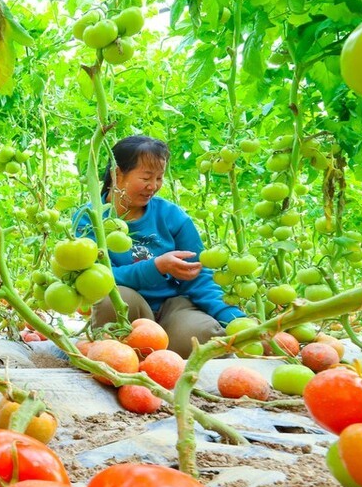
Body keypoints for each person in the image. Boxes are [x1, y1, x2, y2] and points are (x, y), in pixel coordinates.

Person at [74, 135, 243, 357]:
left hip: (173, 308)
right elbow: (93, 279)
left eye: (159, 178)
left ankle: (149, 351)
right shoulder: (90, 219)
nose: (153, 186)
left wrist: (237, 320)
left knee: (206, 337)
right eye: (146, 177)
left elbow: (199, 275)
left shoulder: (172, 216)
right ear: (117, 174)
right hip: (129, 308)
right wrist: (156, 267)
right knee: (110, 299)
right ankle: (126, 353)